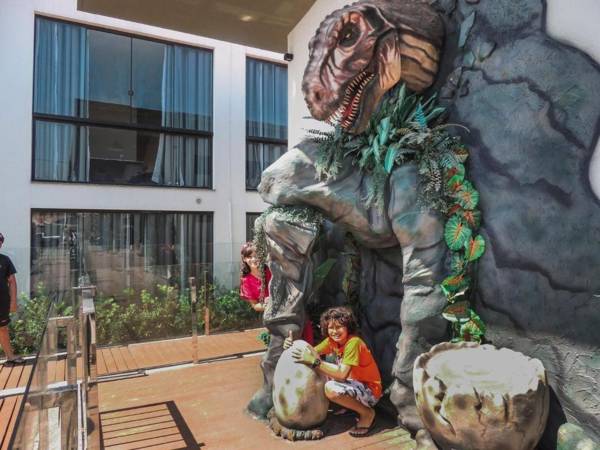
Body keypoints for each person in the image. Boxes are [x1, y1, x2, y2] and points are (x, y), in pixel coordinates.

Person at [284, 306, 381, 437]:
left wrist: (315, 362)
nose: (334, 331)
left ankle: (367, 413)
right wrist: (292, 345)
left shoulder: (353, 343)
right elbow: (310, 352)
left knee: (331, 388)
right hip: (353, 384)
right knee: (322, 372)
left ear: (348, 327)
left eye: (339, 327)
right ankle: (348, 406)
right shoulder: (332, 342)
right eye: (331, 328)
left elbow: (341, 374)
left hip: (370, 391)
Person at [239, 242, 314, 343]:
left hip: (290, 306)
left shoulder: (271, 269)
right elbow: (255, 305)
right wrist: (269, 304)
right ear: (244, 259)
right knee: (283, 340)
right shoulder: (246, 281)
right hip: (273, 315)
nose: (254, 259)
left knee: (304, 326)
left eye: (256, 256)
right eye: (249, 257)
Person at [0, 233, 24, 365]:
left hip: (2, 302)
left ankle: (10, 356)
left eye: (0, 241)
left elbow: (12, 282)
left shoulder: (5, 260)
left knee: (2, 329)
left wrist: (13, 301)